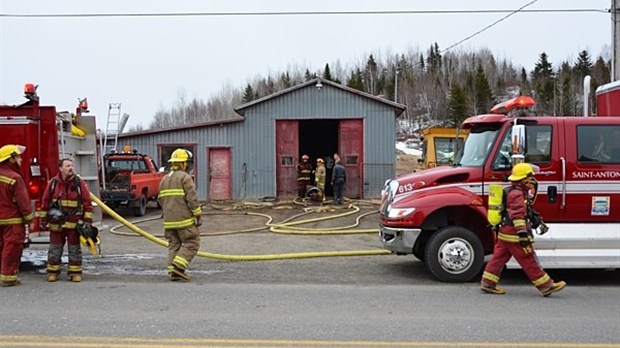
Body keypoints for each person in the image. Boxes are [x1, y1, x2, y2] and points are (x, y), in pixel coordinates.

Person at [480, 162, 566, 296]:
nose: (533, 180)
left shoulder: (514, 191)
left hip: (505, 232)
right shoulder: (518, 194)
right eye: (530, 177)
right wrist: (523, 235)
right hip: (514, 235)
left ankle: (488, 283)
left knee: (498, 258)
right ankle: (546, 286)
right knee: (528, 259)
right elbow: (517, 215)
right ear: (523, 179)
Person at [40, 158, 94, 283]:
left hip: (74, 223)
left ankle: (75, 273)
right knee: (55, 248)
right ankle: (53, 272)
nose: (71, 168)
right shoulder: (53, 183)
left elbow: (87, 203)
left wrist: (87, 222)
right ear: (60, 168)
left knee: (74, 249)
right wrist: (43, 220)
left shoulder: (79, 183)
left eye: (71, 165)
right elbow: (45, 202)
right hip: (56, 224)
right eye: (67, 166)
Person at [158, 148, 202, 281]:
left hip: (168, 221)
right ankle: (179, 267)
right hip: (184, 220)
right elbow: (192, 199)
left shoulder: (164, 179)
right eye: (186, 163)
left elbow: (160, 199)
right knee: (192, 242)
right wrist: (198, 214)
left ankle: (173, 272)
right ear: (183, 164)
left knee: (174, 245)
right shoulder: (185, 177)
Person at [0, 145, 34, 287]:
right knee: (11, 248)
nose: (20, 159)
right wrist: (29, 219)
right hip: (12, 221)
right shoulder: (14, 177)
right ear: (11, 159)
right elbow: (23, 202)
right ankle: (8, 278)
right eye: (18, 156)